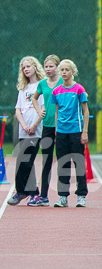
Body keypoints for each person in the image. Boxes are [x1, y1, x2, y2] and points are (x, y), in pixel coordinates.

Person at [49, 59, 89, 208]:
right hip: (61, 132)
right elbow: (57, 111)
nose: (64, 72)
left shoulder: (79, 89)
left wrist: (84, 132)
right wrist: (56, 131)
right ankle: (63, 197)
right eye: (62, 70)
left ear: (73, 72)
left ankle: (81, 195)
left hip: (76, 131)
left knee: (78, 163)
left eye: (67, 70)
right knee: (62, 164)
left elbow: (85, 111)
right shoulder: (56, 91)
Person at [7, 56, 44, 206]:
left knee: (25, 160)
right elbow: (18, 109)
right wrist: (23, 125)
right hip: (24, 130)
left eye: (28, 66)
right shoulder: (23, 88)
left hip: (36, 130)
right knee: (25, 160)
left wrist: (34, 125)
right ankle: (33, 193)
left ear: (35, 67)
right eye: (23, 67)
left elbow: (43, 108)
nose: (26, 69)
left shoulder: (42, 85)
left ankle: (22, 191)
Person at [30, 54, 62, 206]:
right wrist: (39, 111)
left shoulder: (64, 82)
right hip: (47, 127)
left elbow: (79, 94)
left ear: (57, 67)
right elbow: (34, 99)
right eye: (46, 66)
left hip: (62, 127)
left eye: (51, 66)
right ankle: (43, 196)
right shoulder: (42, 84)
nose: (48, 69)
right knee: (46, 161)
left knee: (63, 160)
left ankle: (64, 196)